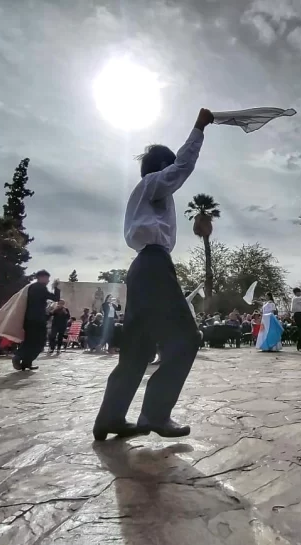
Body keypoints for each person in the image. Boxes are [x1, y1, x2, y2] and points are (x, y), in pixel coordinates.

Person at [93, 107, 214, 441]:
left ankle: (110, 417)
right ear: (162, 167)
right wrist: (199, 128)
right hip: (155, 267)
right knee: (188, 338)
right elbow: (182, 166)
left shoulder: (146, 193)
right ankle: (155, 414)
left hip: (143, 268)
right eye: (169, 166)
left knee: (138, 348)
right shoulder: (153, 183)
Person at [12, 270, 60, 371]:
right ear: (41, 278)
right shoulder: (40, 288)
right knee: (38, 342)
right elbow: (55, 298)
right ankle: (19, 357)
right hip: (37, 320)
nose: (48, 281)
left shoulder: (32, 287)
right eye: (47, 278)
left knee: (31, 341)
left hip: (29, 319)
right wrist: (56, 287)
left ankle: (26, 362)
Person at [290, 287, 301, 351]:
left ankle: (300, 345)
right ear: (296, 293)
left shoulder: (297, 299)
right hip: (297, 314)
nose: (300, 293)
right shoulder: (295, 299)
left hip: (300, 314)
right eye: (299, 292)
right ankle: (298, 345)